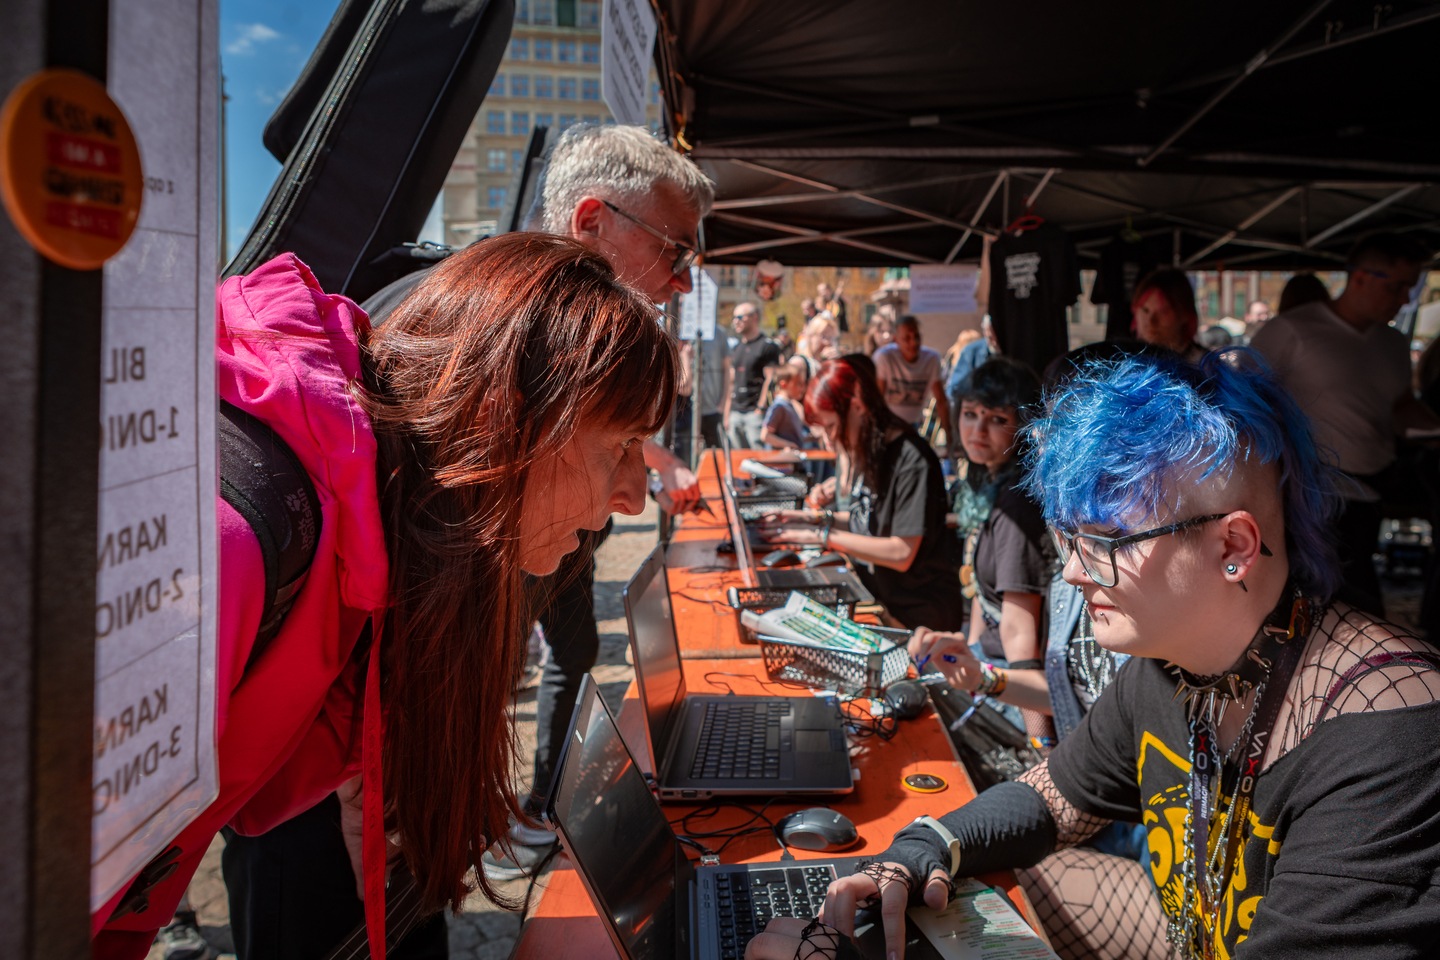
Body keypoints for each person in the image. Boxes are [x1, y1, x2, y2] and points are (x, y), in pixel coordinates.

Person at [93, 235, 679, 960]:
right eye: (620, 445)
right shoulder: (226, 550)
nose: (634, 497)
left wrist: (360, 755)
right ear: (504, 420)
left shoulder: (377, 531)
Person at [747, 350, 1440, 960]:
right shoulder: (1170, 667)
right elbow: (1052, 796)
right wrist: (921, 846)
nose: (1075, 572)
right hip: (1190, 934)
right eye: (1069, 538)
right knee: (964, 887)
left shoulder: (1392, 733)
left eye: (1106, 541)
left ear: (1233, 546)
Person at [1252, 232, 1440, 615]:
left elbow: (1400, 407)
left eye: (1410, 287)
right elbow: (1246, 402)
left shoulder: (1392, 343)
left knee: (1357, 601)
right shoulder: (1291, 331)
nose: (1405, 298)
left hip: (1370, 493)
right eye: (1397, 286)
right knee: (1325, 601)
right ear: (1360, 278)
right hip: (1309, 495)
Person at [757, 358, 964, 631]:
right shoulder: (870, 448)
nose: (829, 440)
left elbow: (901, 552)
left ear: (857, 406)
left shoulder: (912, 460)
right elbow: (865, 519)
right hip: (880, 600)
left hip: (918, 618)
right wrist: (808, 520)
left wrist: (822, 535)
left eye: (831, 427)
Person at [910, 358, 1052, 742]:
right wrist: (969, 649)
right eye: (970, 414)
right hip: (986, 671)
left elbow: (1019, 633)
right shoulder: (990, 488)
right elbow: (980, 599)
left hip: (1009, 689)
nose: (977, 430)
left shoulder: (1017, 507)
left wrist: (1041, 745)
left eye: (996, 419)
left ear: (1024, 426)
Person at [873, 315, 951, 433]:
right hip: (888, 425)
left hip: (914, 425)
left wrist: (949, 436)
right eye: (906, 338)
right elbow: (877, 398)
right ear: (896, 340)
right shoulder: (884, 357)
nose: (913, 342)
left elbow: (941, 400)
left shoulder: (931, 359)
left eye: (916, 336)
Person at [726, 301, 784, 449]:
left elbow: (771, 379)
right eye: (734, 317)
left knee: (759, 457)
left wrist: (760, 408)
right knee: (738, 459)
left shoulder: (767, 346)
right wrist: (727, 413)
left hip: (755, 414)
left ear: (754, 317)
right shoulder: (737, 348)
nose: (736, 321)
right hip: (736, 413)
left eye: (740, 317)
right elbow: (731, 382)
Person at [1131, 266, 1206, 360]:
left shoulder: (1205, 365)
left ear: (1185, 315)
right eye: (1145, 310)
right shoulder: (1125, 360)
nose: (1151, 321)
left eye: (1163, 312)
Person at [760, 360, 812, 451]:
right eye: (798, 384)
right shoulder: (779, 406)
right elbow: (765, 436)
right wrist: (789, 445)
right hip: (781, 458)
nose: (802, 388)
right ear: (784, 384)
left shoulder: (791, 404)